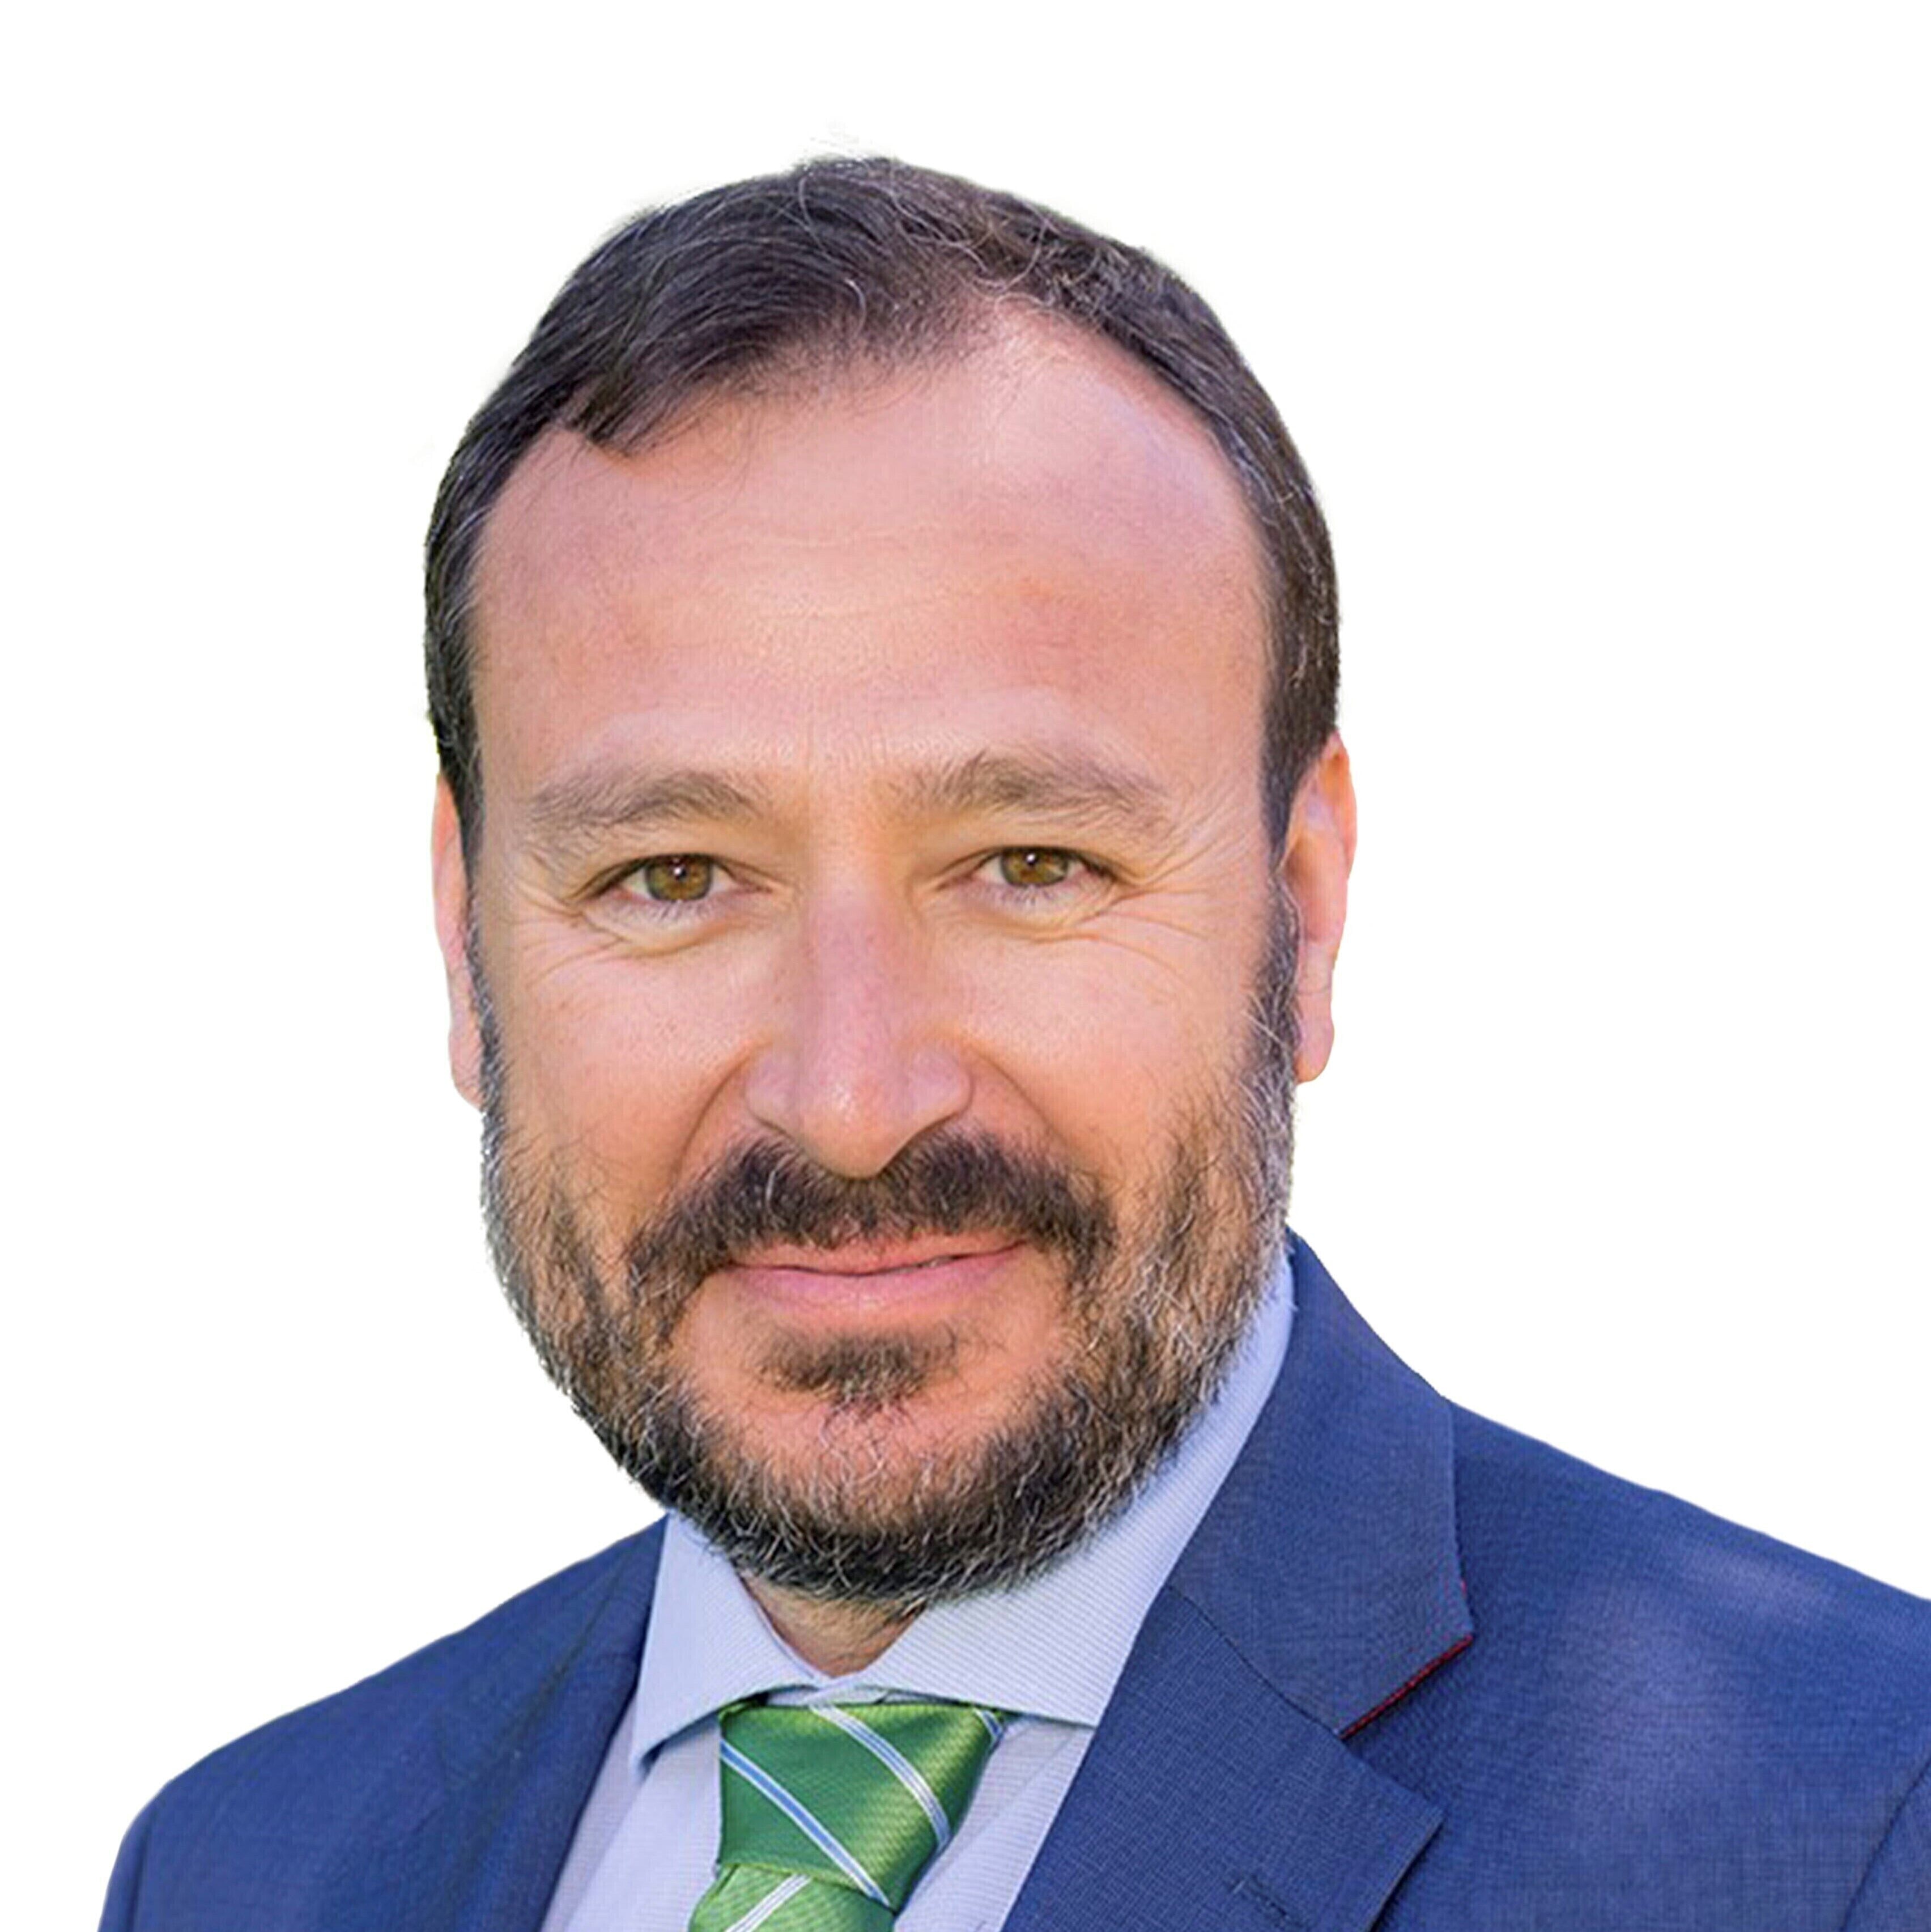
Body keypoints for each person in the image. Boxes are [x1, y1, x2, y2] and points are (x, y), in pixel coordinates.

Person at [100, 157, 1929, 1931]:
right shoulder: (234, 1868)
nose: (851, 1099)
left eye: (1030, 863)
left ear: (1303, 911)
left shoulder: (1855, 1833)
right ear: (464, 936)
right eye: (672, 876)